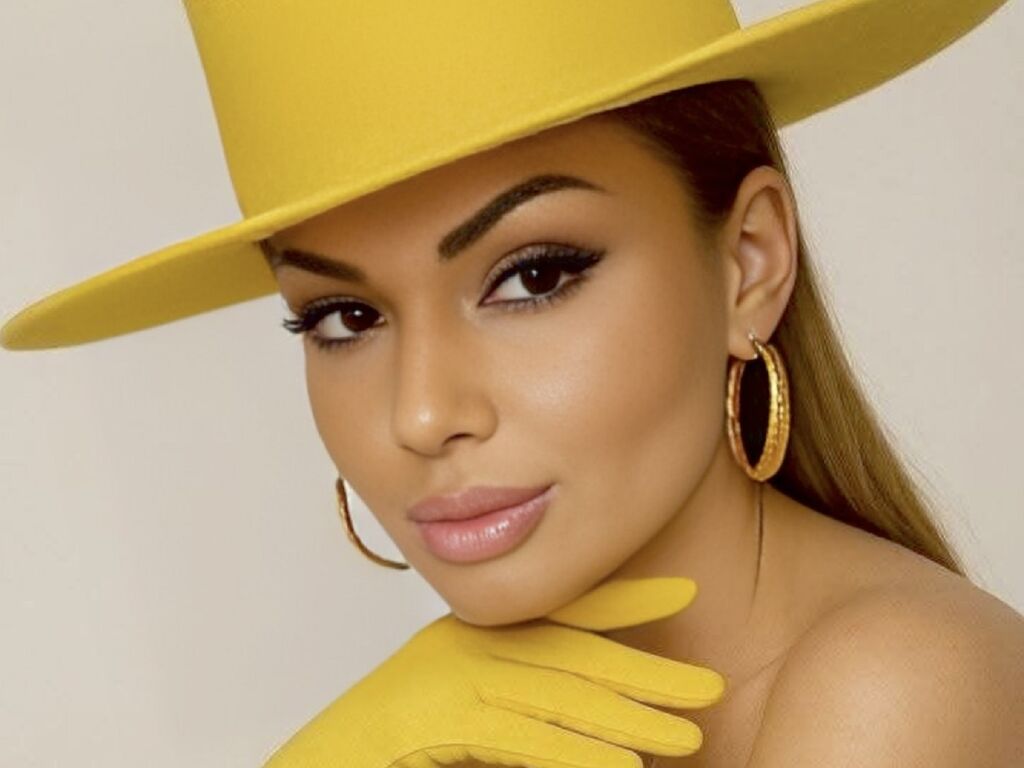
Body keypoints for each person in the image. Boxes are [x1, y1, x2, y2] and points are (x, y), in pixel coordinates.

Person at [2, 2, 1021, 767]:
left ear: (747, 263)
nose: (421, 414)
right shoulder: (480, 729)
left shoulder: (894, 685)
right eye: (343, 318)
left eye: (533, 278)